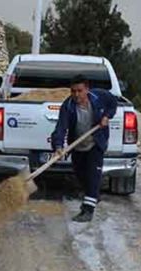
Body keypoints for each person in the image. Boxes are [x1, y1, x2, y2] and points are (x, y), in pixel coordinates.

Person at [51, 75, 117, 222]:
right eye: (73, 91)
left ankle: (88, 210)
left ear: (87, 89)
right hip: (78, 144)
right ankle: (93, 195)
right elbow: (60, 128)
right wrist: (58, 146)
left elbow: (113, 103)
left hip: (96, 142)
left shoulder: (99, 96)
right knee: (81, 174)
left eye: (80, 91)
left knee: (93, 174)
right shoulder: (68, 106)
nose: (76, 95)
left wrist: (107, 116)